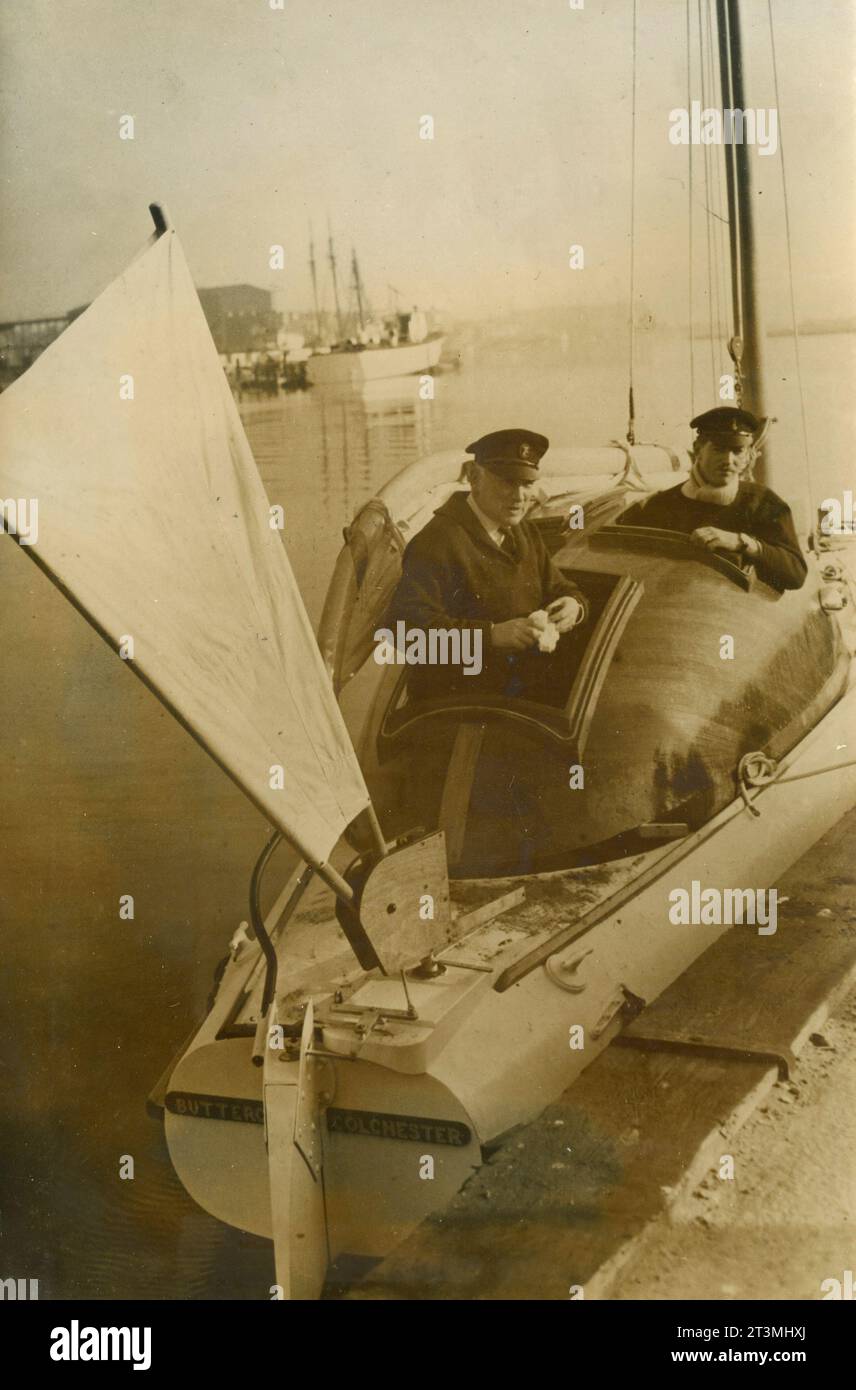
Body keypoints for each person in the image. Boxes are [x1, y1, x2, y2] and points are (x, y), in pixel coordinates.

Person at [388, 428, 587, 703]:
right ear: (474, 478)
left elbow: (560, 588)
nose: (519, 496)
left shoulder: (524, 532)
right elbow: (406, 636)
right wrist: (490, 636)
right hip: (455, 711)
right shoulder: (437, 542)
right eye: (507, 482)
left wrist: (573, 606)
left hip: (515, 701)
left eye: (527, 484)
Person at [618, 407, 807, 591]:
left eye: (737, 451)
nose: (728, 460)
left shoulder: (762, 503)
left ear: (747, 454)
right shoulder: (661, 506)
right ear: (698, 449)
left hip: (730, 616)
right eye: (719, 449)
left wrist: (742, 543)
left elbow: (795, 574)